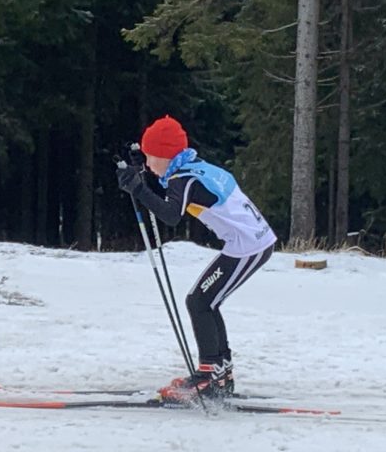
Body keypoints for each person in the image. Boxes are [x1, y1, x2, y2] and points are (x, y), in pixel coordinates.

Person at [116, 115, 277, 402]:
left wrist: (139, 189)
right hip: (249, 243)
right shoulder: (195, 168)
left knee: (199, 302)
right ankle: (219, 372)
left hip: (248, 246)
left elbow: (170, 215)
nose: (149, 164)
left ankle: (208, 378)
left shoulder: (183, 178)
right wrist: (141, 172)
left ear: (166, 155)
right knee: (207, 302)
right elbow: (171, 189)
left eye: (151, 156)